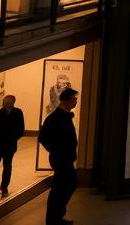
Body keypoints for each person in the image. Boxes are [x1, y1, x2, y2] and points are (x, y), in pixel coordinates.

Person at [38, 87, 79, 225]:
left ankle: (55, 217)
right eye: (74, 99)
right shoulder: (55, 118)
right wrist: (55, 150)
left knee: (63, 187)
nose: (76, 102)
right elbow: (43, 138)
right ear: (65, 100)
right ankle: (54, 219)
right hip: (61, 158)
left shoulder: (64, 116)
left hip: (64, 158)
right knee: (63, 187)